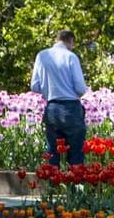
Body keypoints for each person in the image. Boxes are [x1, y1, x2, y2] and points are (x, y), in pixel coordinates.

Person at [31, 29, 89, 167]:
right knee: (76, 153)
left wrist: (49, 90)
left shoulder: (42, 56)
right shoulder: (70, 56)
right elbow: (81, 88)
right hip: (70, 108)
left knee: (52, 152)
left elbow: (34, 86)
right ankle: (74, 187)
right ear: (70, 41)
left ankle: (52, 186)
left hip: (51, 107)